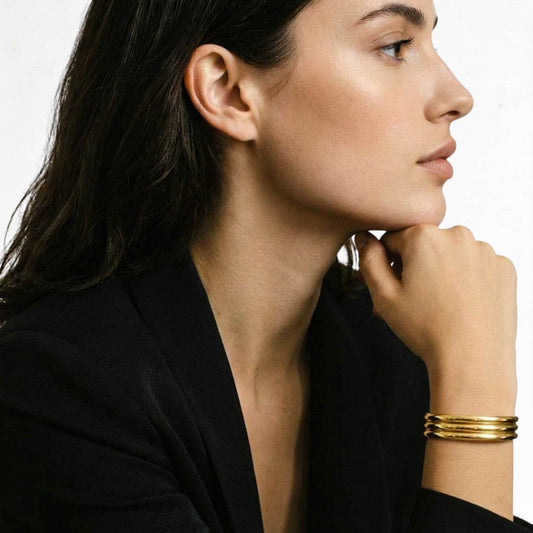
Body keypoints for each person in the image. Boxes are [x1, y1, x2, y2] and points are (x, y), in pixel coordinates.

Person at [0, 0, 531, 531]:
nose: (457, 96)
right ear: (227, 92)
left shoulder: (390, 353)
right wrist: (474, 388)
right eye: (393, 47)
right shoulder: (59, 388)